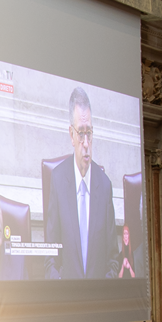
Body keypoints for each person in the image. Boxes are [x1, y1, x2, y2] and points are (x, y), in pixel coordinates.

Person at [44, 87, 119, 279]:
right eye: (81, 133)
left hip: (98, 303)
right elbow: (50, 257)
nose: (86, 142)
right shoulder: (58, 180)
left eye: (89, 133)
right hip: (66, 302)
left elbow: (113, 260)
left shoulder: (104, 186)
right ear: (71, 135)